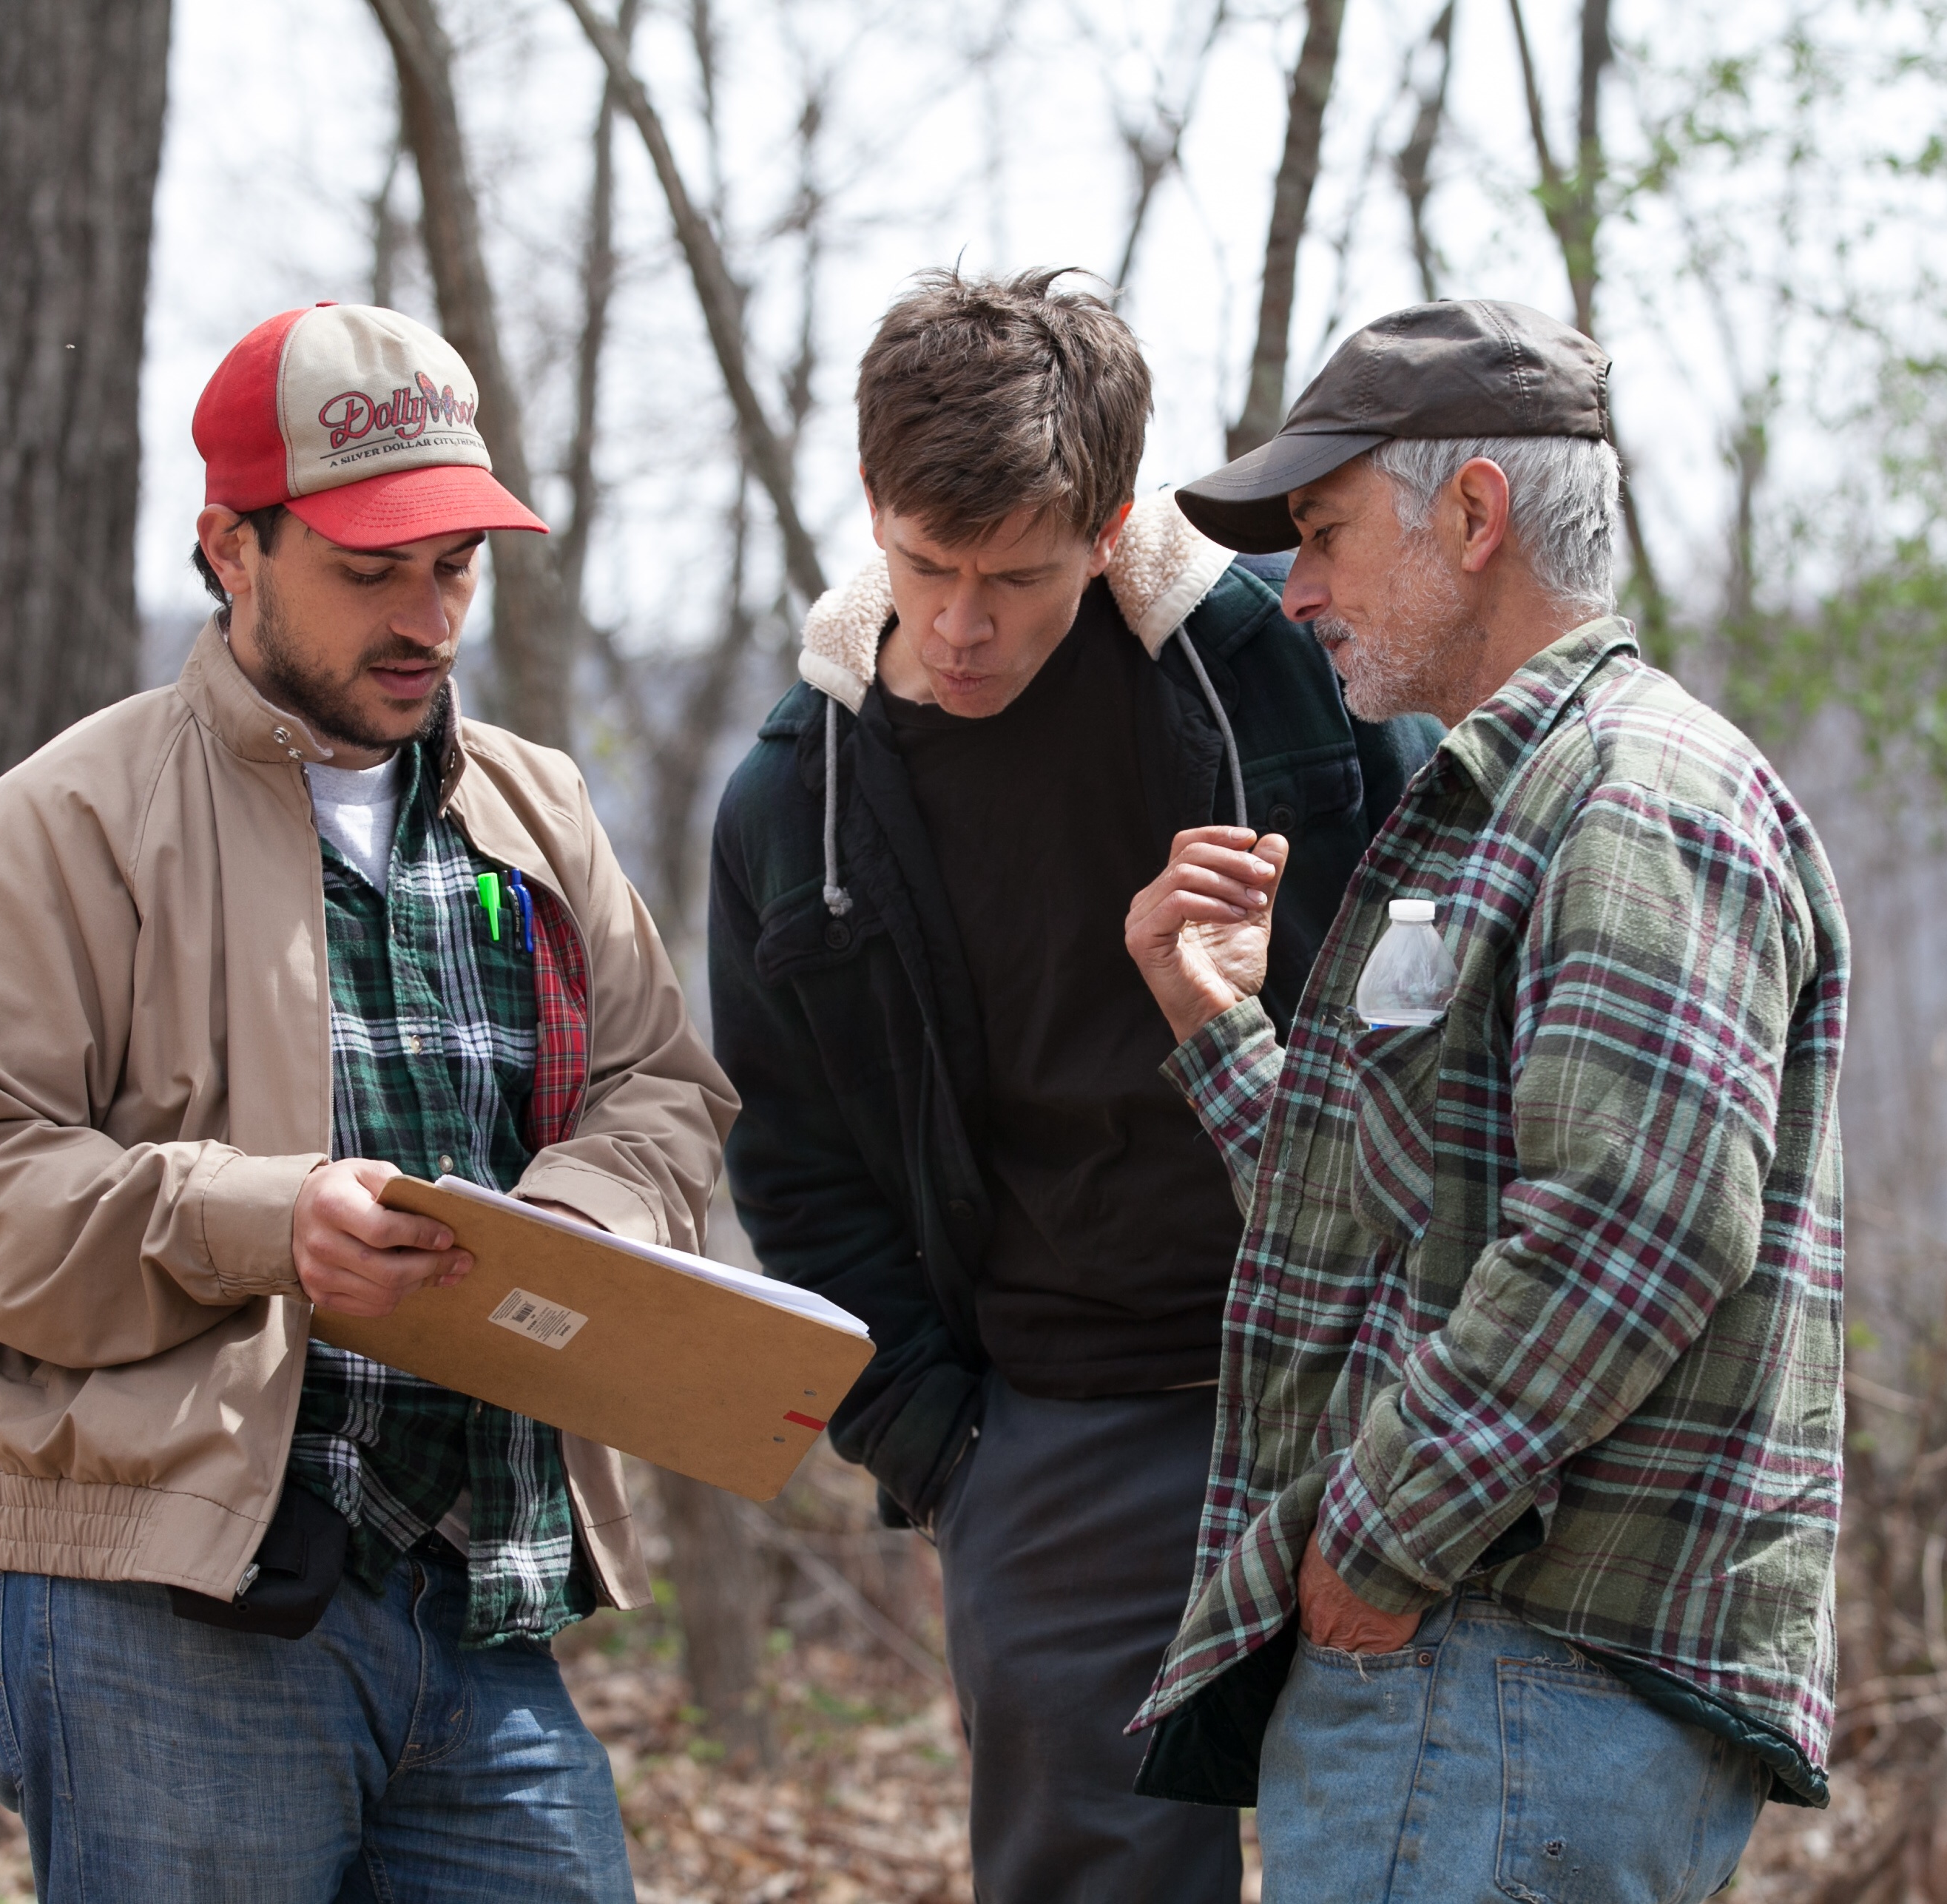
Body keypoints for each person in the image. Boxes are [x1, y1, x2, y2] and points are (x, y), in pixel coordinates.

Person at [0, 301, 735, 1903]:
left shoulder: (539, 809)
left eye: (455, 566)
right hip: (165, 1613)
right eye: (369, 569)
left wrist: (575, 1225)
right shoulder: (64, 821)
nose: (427, 618)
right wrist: (260, 1223)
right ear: (231, 549)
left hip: (482, 1614)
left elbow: (657, 1094)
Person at [706, 268, 1437, 1903]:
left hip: (1367, 1396)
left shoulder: (1283, 679)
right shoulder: (794, 805)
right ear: (872, 514)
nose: (963, 625)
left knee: (1415, 1863)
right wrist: (941, 1445)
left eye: (1016, 577)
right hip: (1056, 1431)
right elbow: (798, 1169)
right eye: (924, 566)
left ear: (1107, 526)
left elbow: (1446, 999)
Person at [1121, 299, 1848, 1903]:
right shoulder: (1512, 801)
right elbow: (1402, 1223)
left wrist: (1373, 1547)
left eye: (1321, 532)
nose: (1293, 588)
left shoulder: (1634, 800)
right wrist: (1215, 1022)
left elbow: (1635, 1224)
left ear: (1470, 515)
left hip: (1510, 1671)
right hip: (1479, 1678)